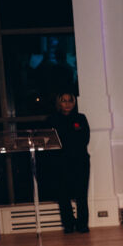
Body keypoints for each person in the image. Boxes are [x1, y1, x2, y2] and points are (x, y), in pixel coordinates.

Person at [45, 91, 91, 234]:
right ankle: (69, 225)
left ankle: (82, 225)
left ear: (74, 102)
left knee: (81, 194)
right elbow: (51, 141)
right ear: (59, 103)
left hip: (80, 161)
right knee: (63, 195)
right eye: (64, 101)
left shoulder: (80, 118)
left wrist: (69, 143)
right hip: (60, 162)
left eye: (70, 100)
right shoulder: (52, 119)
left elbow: (85, 139)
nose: (67, 104)